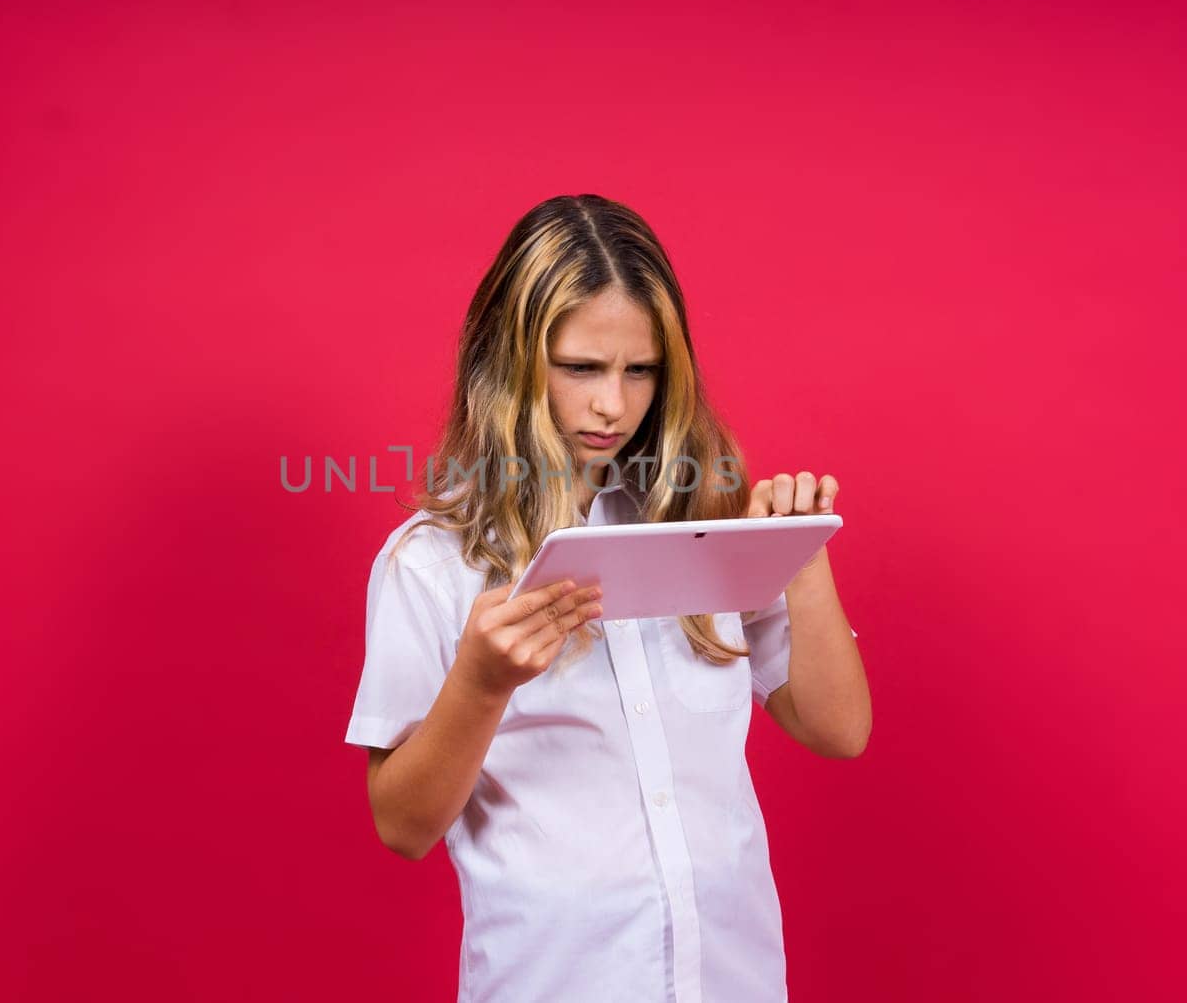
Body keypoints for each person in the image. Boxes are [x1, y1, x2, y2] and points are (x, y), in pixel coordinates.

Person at [344, 194, 871, 1002]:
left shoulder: (705, 522)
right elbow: (402, 825)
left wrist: (803, 558)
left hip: (734, 981)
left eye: (641, 370)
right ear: (512, 360)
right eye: (581, 367)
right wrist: (481, 684)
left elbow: (839, 730)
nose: (613, 405)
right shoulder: (435, 562)